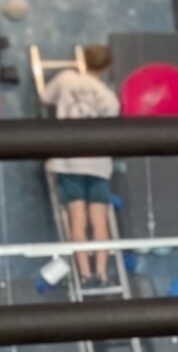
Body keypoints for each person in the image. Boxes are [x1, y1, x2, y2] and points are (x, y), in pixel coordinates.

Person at [41, 44, 122, 285]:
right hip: (98, 162)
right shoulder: (109, 97)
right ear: (107, 67)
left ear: (82, 60)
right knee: (100, 220)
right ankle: (103, 273)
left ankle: (85, 275)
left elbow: (45, 97)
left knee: (77, 218)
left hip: (69, 160)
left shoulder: (67, 79)